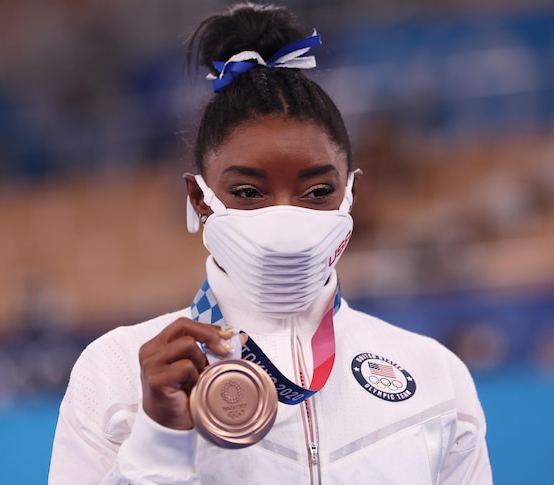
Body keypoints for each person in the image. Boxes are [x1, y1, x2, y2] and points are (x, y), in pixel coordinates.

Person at [49, 3, 491, 483]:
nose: (284, 216)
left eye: (318, 192)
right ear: (200, 199)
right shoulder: (116, 372)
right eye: (248, 192)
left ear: (351, 196)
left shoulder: (435, 377)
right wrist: (159, 441)